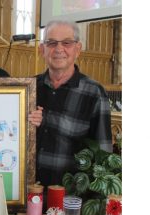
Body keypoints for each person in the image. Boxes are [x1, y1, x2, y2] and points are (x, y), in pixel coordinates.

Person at [36, 20, 112, 188]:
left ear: (78, 49)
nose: (58, 49)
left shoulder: (94, 93)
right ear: (42, 49)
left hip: (70, 197)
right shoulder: (30, 88)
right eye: (51, 43)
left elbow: (103, 155)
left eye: (67, 43)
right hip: (28, 193)